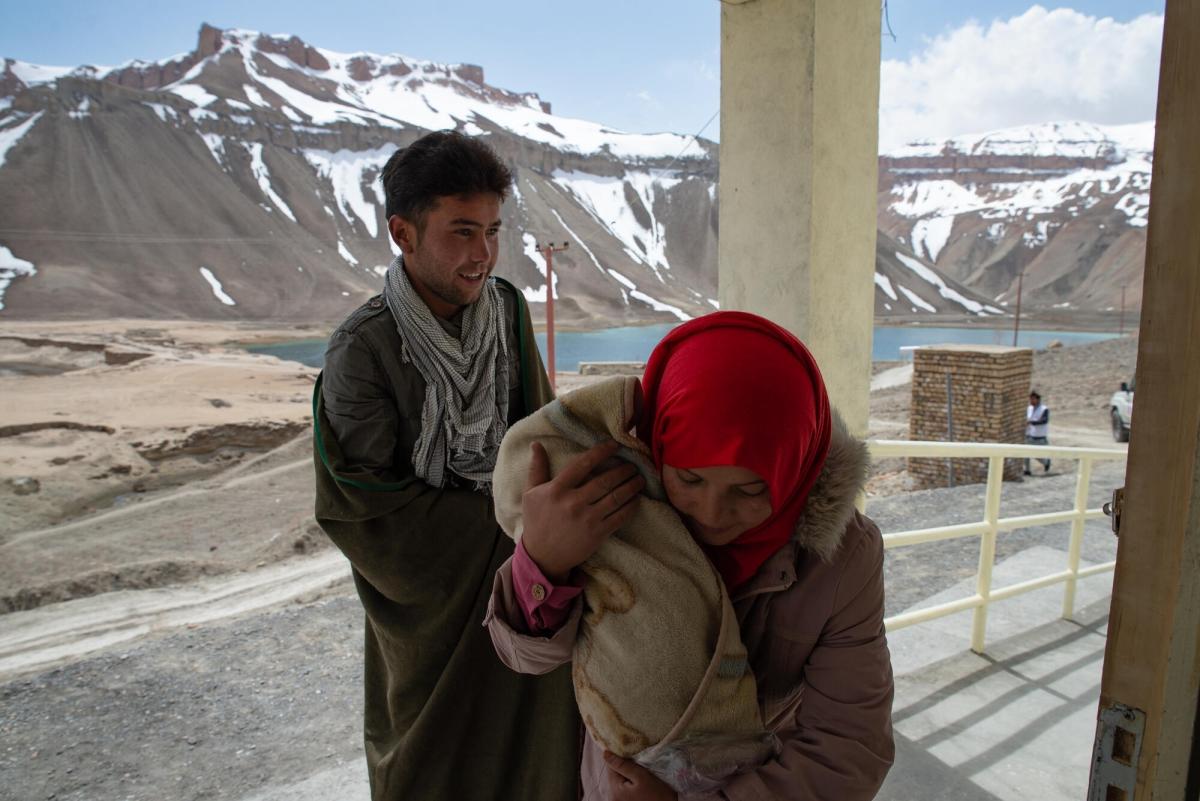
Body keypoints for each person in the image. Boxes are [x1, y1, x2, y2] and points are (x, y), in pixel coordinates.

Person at [485, 311, 895, 800]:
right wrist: (543, 562)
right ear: (658, 447)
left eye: (749, 489)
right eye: (690, 478)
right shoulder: (614, 508)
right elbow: (525, 658)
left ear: (796, 470)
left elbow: (849, 747)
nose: (713, 513)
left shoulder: (841, 560)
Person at [312, 131, 599, 800]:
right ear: (402, 232)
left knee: (542, 749)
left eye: (493, 231)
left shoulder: (506, 308)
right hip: (430, 614)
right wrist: (523, 525)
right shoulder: (364, 350)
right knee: (433, 762)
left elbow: (539, 431)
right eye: (462, 232)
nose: (483, 254)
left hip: (528, 586)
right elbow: (367, 514)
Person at [1025, 390, 1051, 475]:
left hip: (1040, 437)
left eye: (1033, 399)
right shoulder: (1029, 408)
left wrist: (1032, 422)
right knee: (1025, 453)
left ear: (1038, 399)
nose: (1031, 401)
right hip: (1030, 435)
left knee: (1037, 455)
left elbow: (1044, 420)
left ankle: (1046, 462)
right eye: (1030, 399)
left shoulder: (1044, 409)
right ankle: (1027, 470)